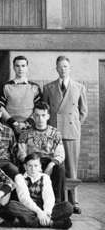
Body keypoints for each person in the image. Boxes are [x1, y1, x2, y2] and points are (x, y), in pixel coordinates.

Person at [42, 56, 88, 214]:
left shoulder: (79, 87)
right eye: (60, 67)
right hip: (53, 132)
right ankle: (58, 200)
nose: (63, 69)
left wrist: (75, 125)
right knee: (55, 166)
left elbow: (83, 111)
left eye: (66, 66)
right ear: (56, 68)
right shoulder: (48, 88)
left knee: (71, 168)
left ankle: (74, 201)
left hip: (71, 132)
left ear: (70, 68)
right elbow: (45, 111)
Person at [3, 152, 73, 229]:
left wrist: (46, 213)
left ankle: (31, 222)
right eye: (30, 166)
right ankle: (51, 223)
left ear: (40, 167)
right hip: (28, 208)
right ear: (25, 166)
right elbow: (24, 199)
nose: (33, 169)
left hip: (43, 209)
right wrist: (39, 212)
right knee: (11, 206)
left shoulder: (45, 177)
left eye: (36, 166)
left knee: (68, 206)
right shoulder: (20, 177)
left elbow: (49, 197)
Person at [17, 102, 66, 203]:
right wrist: (33, 165)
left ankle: (57, 202)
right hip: (32, 162)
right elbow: (21, 154)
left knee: (60, 168)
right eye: (37, 115)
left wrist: (51, 165)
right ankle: (26, 201)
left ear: (48, 116)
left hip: (48, 162)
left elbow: (60, 154)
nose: (40, 119)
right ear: (33, 116)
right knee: (21, 167)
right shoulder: (25, 134)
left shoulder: (55, 133)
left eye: (43, 115)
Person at [0, 56, 42, 135]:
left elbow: (39, 108)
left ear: (27, 67)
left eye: (23, 66)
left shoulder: (35, 87)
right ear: (13, 67)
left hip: (30, 128)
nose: (20, 69)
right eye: (17, 66)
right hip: (9, 127)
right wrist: (14, 123)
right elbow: (0, 106)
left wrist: (27, 123)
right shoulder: (6, 86)